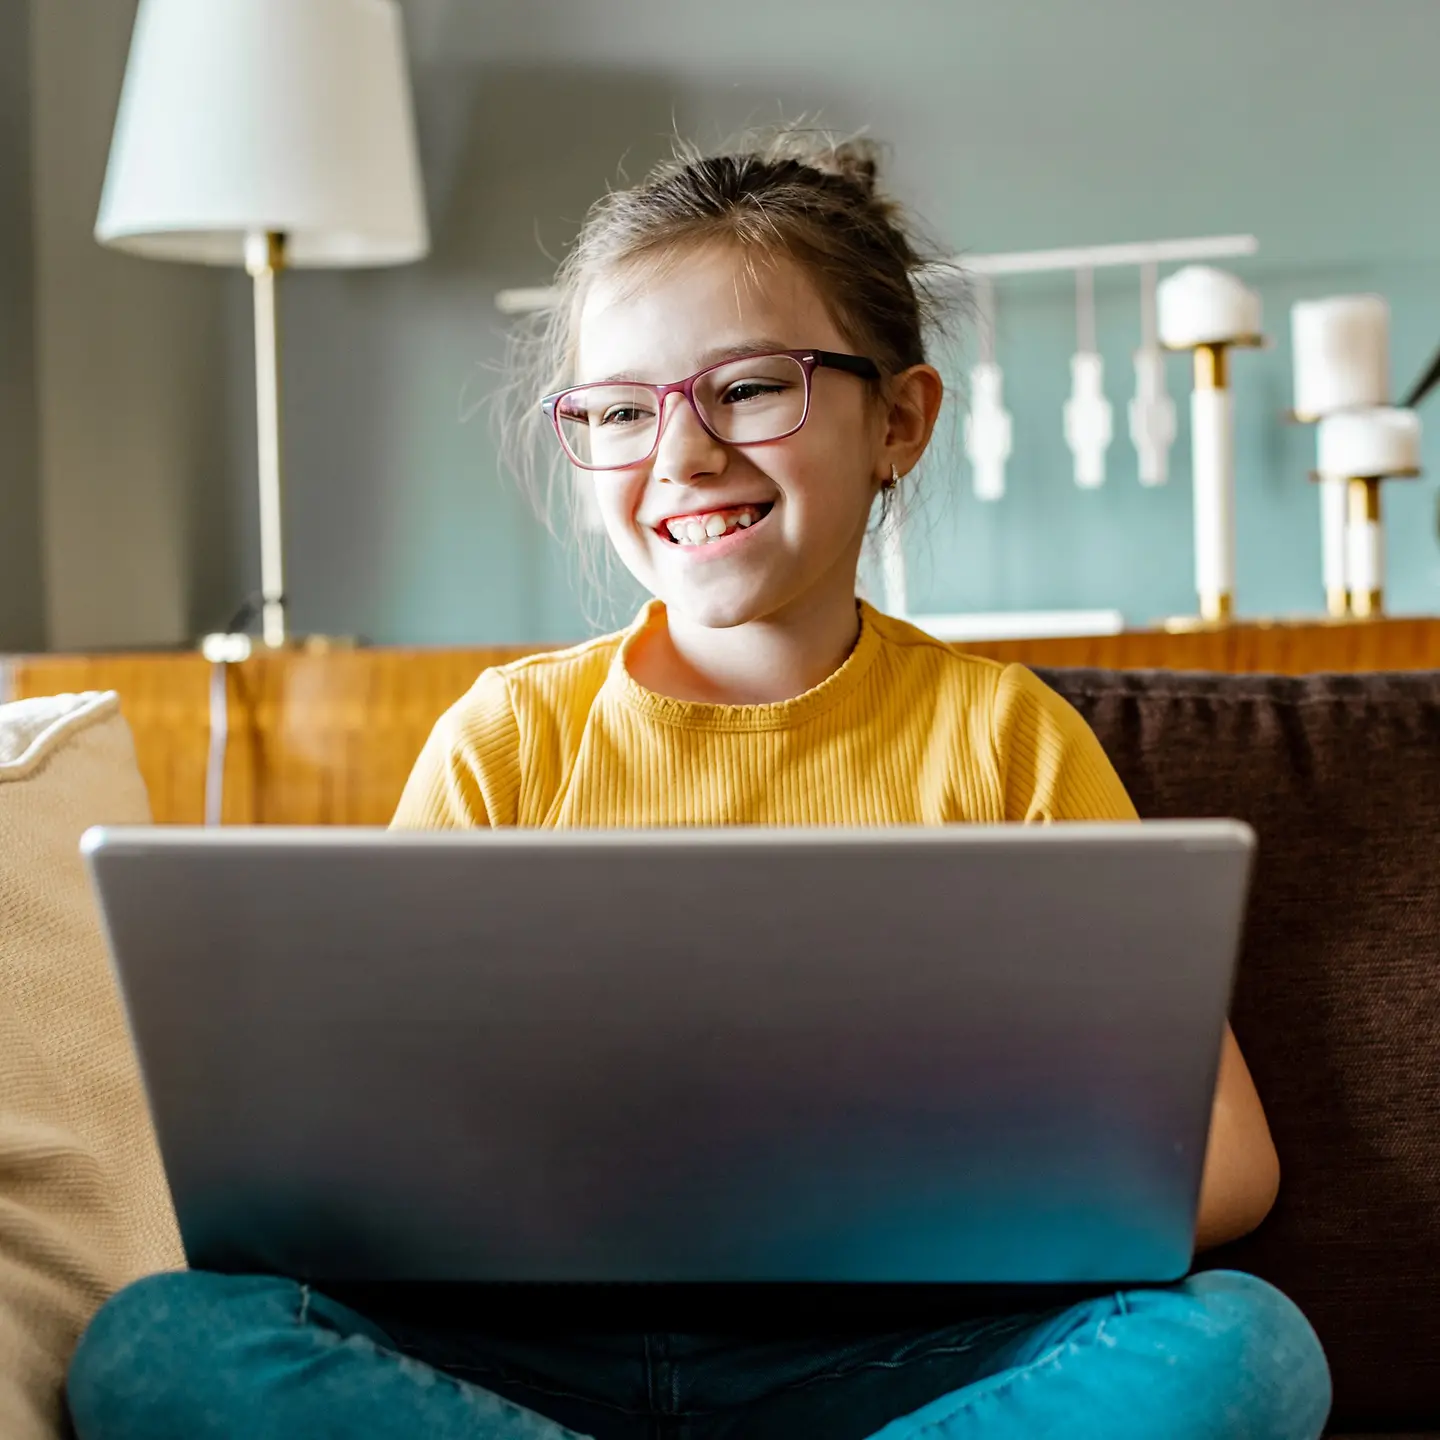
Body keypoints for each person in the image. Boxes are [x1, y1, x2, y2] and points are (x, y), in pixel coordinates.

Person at [67, 131, 1332, 1440]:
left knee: (1247, 1350)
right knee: (160, 1347)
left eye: (748, 388)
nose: (680, 455)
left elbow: (1228, 1165)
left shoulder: (1000, 739)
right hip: (532, 1362)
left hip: (899, 1360)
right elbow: (365, 1151)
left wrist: (888, 1192)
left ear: (898, 419)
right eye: (620, 410)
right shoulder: (509, 741)